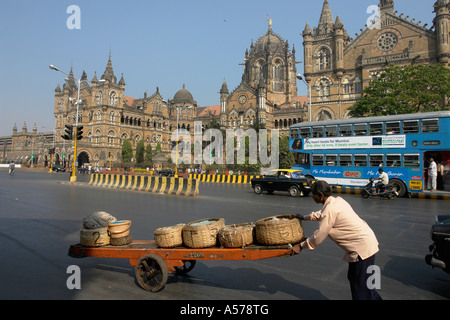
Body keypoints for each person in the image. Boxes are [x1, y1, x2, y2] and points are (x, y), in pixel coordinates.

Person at [297, 180, 382, 300]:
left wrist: (301, 246)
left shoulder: (330, 209)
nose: (312, 196)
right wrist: (304, 217)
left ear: (320, 195)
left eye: (313, 194)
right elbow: (322, 214)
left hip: (362, 249)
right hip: (367, 243)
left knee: (360, 286)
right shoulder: (337, 201)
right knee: (362, 281)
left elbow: (319, 235)